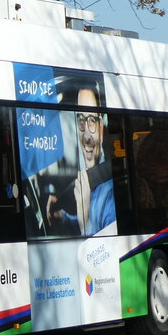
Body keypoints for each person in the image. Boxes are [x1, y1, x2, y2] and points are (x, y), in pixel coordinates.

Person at [46, 85, 117, 236]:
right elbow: (87, 223)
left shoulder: (111, 194)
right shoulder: (91, 177)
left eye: (91, 121)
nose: (85, 136)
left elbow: (107, 251)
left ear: (101, 129)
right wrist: (64, 218)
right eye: (81, 121)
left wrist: (85, 225)